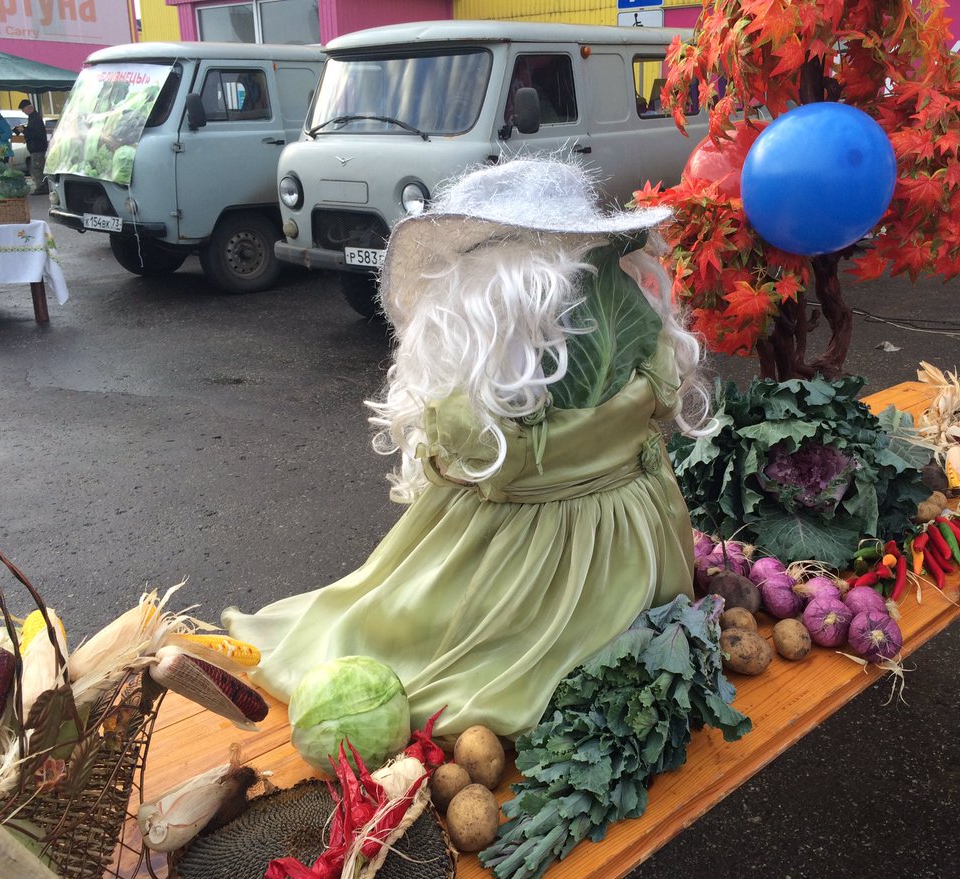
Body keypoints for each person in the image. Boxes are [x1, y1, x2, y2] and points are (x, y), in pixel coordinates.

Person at [224, 158, 709, 740]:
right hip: (632, 538)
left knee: (408, 621)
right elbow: (662, 390)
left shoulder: (483, 361)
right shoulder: (631, 318)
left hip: (515, 560)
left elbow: (461, 440)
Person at [18, 99, 48, 193]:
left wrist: (24, 130)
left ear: (29, 108)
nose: (23, 112)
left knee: (38, 169)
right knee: (38, 168)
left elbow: (35, 133)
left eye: (23, 109)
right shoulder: (33, 117)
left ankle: (41, 188)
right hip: (36, 148)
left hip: (37, 148)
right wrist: (25, 129)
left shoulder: (35, 118)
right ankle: (43, 186)